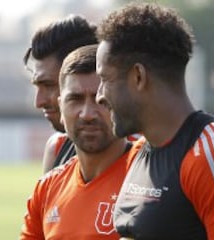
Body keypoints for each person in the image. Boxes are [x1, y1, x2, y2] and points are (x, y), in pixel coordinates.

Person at [95, 2, 214, 240]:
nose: (99, 95)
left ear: (138, 77)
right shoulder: (140, 151)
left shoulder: (213, 156)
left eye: (105, 79)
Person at [20, 44, 142, 240]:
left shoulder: (151, 175)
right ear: (60, 107)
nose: (87, 114)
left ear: (122, 104)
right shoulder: (47, 188)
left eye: (101, 100)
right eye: (75, 99)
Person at [23, 15, 98, 172]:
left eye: (49, 85)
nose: (38, 102)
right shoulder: (57, 148)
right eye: (37, 86)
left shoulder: (141, 154)